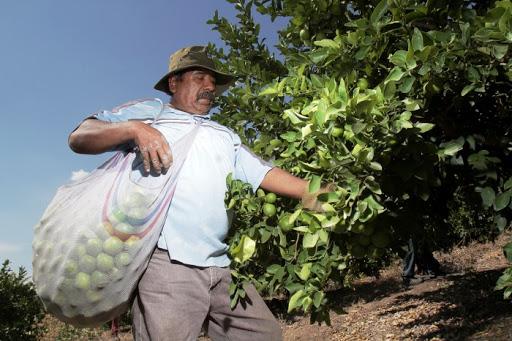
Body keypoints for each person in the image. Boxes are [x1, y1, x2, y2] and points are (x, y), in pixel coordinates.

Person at [69, 46, 325, 341]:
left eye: (213, 82)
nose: (210, 87)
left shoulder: (224, 135)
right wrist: (135, 129)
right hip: (167, 266)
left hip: (221, 265)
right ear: (174, 83)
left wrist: (313, 191)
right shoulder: (153, 113)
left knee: (264, 335)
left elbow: (263, 172)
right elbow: (80, 136)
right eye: (200, 77)